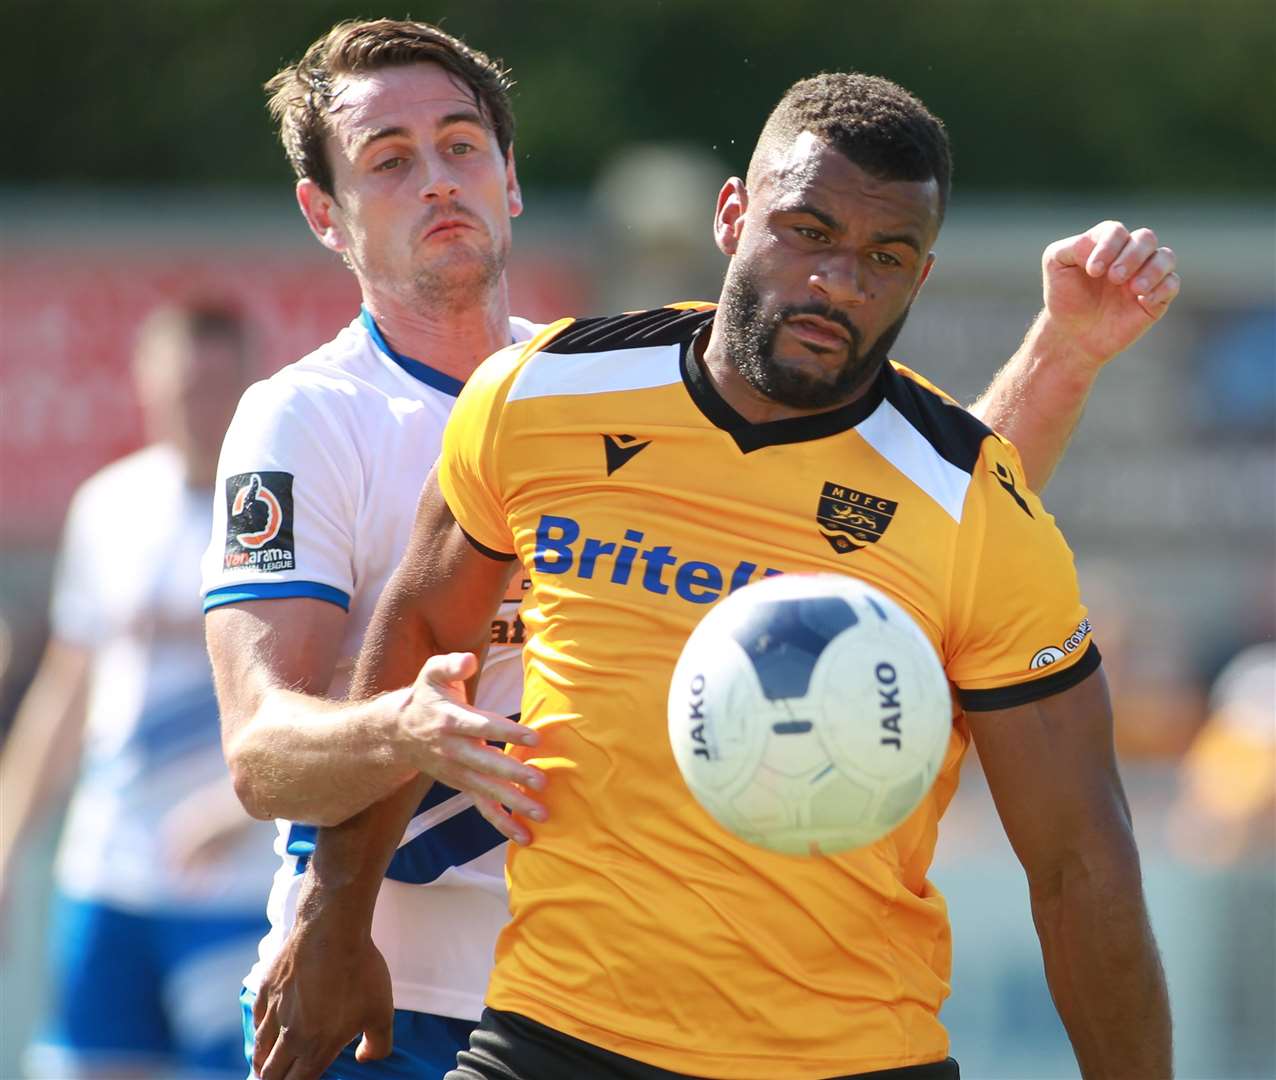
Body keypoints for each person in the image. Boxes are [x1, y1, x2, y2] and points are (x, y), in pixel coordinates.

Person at [214, 20, 1179, 1080]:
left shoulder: (961, 492)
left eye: (460, 145)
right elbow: (319, 707)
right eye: (391, 161)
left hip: (843, 1046)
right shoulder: (506, 402)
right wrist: (341, 899)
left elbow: (1076, 843)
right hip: (498, 1019)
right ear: (734, 216)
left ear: (510, 175)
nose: (838, 282)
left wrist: (1064, 353)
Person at [0, 301, 278, 1079]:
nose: (201, 406)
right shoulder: (110, 505)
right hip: (110, 868)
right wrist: (8, 845)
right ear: (147, 384)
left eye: (221, 386)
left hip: (237, 880)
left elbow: (325, 685)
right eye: (184, 386)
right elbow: (67, 688)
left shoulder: (280, 510)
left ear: (253, 386)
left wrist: (242, 803)